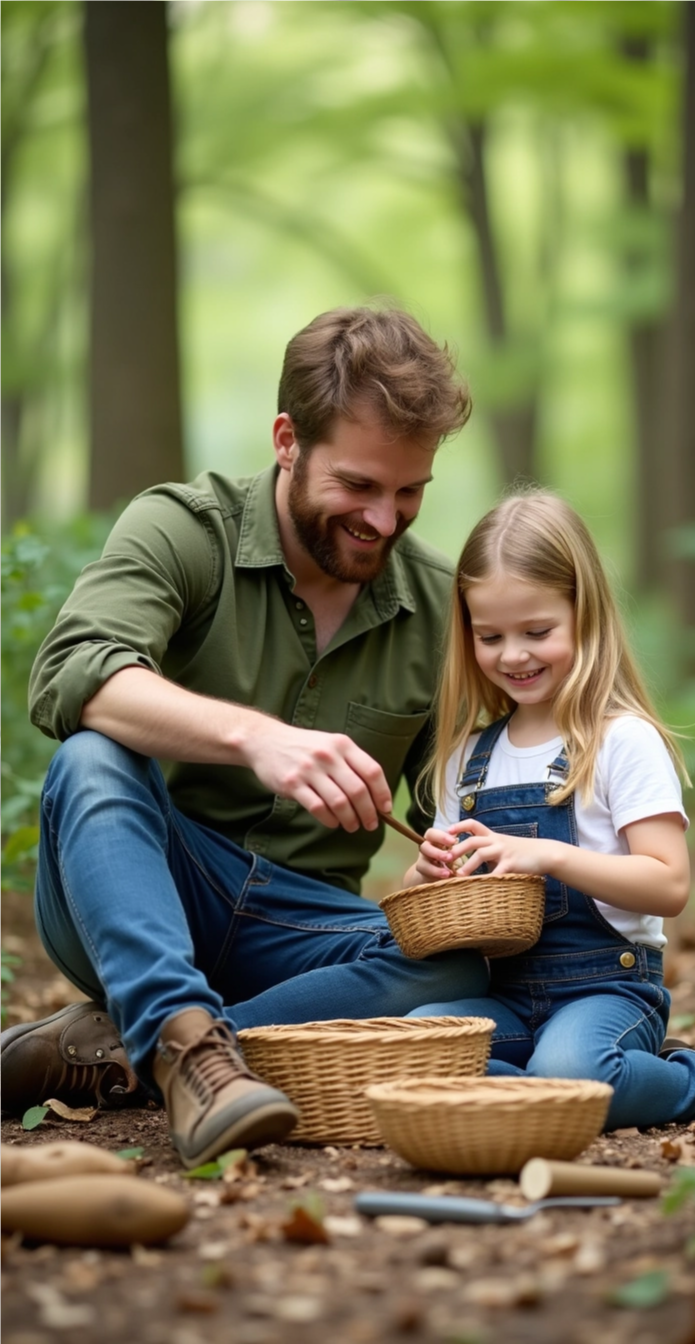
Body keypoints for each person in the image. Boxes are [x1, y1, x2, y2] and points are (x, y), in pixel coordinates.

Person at [0, 305, 491, 1168]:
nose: (384, 519)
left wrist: (456, 859)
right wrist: (256, 738)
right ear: (287, 440)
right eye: (358, 486)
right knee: (92, 758)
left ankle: (135, 1050)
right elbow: (72, 671)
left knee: (471, 964)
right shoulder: (184, 529)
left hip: (304, 934)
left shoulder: (438, 607)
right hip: (144, 887)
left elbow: (470, 796)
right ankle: (187, 1052)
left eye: (408, 491)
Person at [404, 489, 695, 1125]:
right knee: (413, 1042)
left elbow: (669, 883)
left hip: (609, 988)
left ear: (585, 614)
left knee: (574, 1072)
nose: (512, 655)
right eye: (490, 636)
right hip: (505, 993)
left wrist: (550, 854)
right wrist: (425, 875)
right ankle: (548, 1091)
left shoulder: (621, 740)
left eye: (537, 632)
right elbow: (438, 898)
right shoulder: (467, 758)